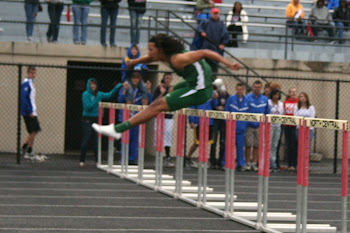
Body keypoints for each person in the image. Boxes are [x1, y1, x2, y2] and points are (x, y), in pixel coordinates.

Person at [92, 33, 241, 140]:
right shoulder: (164, 54)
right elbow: (150, 58)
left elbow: (205, 52)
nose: (149, 53)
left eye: (151, 49)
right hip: (193, 81)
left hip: (199, 90)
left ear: (161, 50)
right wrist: (134, 62)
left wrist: (229, 64)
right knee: (174, 90)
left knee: (156, 105)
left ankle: (117, 130)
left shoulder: (177, 59)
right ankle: (214, 85)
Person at [79, 78, 122, 167]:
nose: (92, 86)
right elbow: (88, 107)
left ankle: (97, 160)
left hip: (96, 119)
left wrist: (118, 87)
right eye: (91, 84)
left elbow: (109, 95)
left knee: (97, 140)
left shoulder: (99, 94)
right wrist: (96, 100)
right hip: (87, 119)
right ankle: (82, 160)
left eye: (94, 84)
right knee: (86, 140)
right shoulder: (85, 94)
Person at [117, 72, 152, 165]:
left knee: (135, 139)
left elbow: (149, 102)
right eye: (133, 78)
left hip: (136, 118)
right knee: (125, 138)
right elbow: (119, 100)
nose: (135, 80)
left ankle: (132, 158)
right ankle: (123, 157)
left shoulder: (141, 91)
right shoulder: (126, 87)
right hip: (126, 118)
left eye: (137, 78)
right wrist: (124, 90)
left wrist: (148, 90)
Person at [185, 93, 217, 168]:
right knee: (197, 142)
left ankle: (203, 160)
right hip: (199, 121)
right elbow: (192, 108)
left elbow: (214, 106)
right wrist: (191, 120)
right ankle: (188, 157)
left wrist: (214, 99)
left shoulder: (211, 93)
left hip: (209, 121)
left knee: (206, 142)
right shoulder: (196, 94)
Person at [245, 80, 270, 171]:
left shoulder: (265, 99)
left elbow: (267, 112)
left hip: (260, 126)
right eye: (255, 87)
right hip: (249, 125)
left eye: (259, 87)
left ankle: (254, 163)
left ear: (261, 88)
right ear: (252, 87)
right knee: (248, 144)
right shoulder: (247, 98)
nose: (257, 89)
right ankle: (247, 162)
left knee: (257, 145)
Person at [20, 66, 44, 161]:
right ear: (28, 73)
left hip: (32, 111)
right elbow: (24, 98)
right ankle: (29, 150)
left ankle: (25, 147)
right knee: (34, 130)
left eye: (35, 73)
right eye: (32, 73)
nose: (34, 75)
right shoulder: (26, 83)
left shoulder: (31, 83)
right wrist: (29, 111)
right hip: (29, 112)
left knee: (34, 130)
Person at [197, 8, 229, 76]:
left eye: (216, 13)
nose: (215, 15)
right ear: (211, 14)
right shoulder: (206, 22)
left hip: (216, 48)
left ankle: (213, 80)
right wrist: (202, 32)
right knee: (205, 66)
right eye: (214, 13)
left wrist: (223, 44)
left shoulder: (221, 24)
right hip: (207, 46)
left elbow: (225, 35)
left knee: (214, 67)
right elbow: (199, 28)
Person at [224, 83, 249, 171]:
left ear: (243, 90)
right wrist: (227, 123)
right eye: (238, 89)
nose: (239, 91)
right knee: (229, 146)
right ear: (235, 89)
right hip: (232, 127)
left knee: (240, 147)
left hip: (241, 128)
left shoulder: (246, 100)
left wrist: (245, 124)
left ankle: (241, 164)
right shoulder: (231, 99)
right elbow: (226, 110)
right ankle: (226, 163)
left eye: (241, 89)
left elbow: (248, 113)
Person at [153, 73, 175, 168]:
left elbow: (173, 101)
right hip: (158, 115)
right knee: (158, 135)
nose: (168, 80)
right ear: (163, 79)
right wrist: (162, 93)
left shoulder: (173, 89)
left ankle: (168, 157)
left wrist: (170, 93)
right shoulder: (159, 88)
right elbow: (154, 102)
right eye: (166, 78)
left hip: (168, 116)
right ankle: (158, 157)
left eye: (169, 78)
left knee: (167, 136)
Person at [209, 81, 229, 169]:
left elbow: (229, 106)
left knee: (223, 141)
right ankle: (212, 160)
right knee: (214, 141)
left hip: (223, 121)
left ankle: (221, 161)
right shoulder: (215, 95)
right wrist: (217, 107)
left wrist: (224, 109)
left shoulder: (228, 96)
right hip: (215, 120)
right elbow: (212, 105)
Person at [268, 89, 284, 172]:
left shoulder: (281, 104)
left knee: (275, 145)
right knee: (269, 144)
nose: (276, 96)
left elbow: (282, 113)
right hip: (270, 125)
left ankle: (273, 163)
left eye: (277, 95)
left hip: (278, 126)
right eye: (274, 94)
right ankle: (267, 163)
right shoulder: (269, 102)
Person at [284, 87, 298, 171]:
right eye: (291, 92)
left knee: (294, 145)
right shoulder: (285, 103)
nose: (293, 93)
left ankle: (294, 163)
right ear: (289, 93)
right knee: (288, 145)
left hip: (295, 126)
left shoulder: (298, 102)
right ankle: (289, 164)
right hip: (287, 126)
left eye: (294, 92)